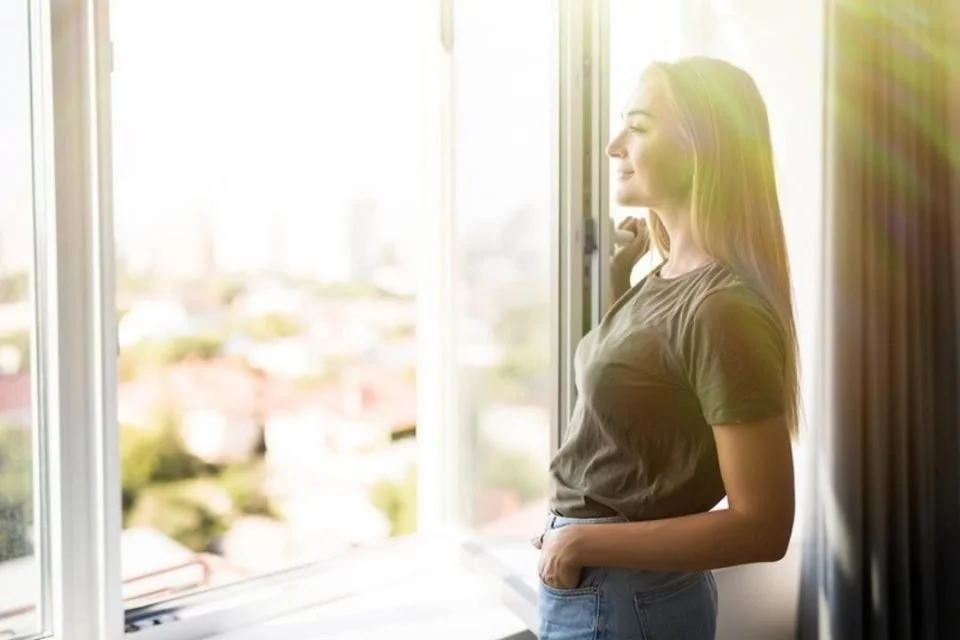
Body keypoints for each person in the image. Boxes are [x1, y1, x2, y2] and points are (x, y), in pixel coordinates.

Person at [531, 56, 799, 639]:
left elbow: (765, 527)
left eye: (640, 126)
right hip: (611, 590)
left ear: (704, 147)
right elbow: (638, 396)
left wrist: (580, 538)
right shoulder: (671, 278)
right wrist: (619, 279)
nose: (612, 146)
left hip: (624, 598)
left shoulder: (723, 308)